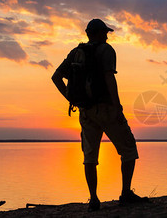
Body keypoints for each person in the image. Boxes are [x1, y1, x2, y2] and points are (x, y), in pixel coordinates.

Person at [52, 18, 147, 212]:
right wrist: (117, 106)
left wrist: (72, 99)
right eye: (105, 32)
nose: (107, 35)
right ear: (99, 33)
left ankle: (94, 199)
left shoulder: (75, 52)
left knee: (90, 157)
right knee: (129, 149)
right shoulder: (106, 50)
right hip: (106, 108)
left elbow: (56, 77)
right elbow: (108, 77)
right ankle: (126, 193)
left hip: (85, 111)